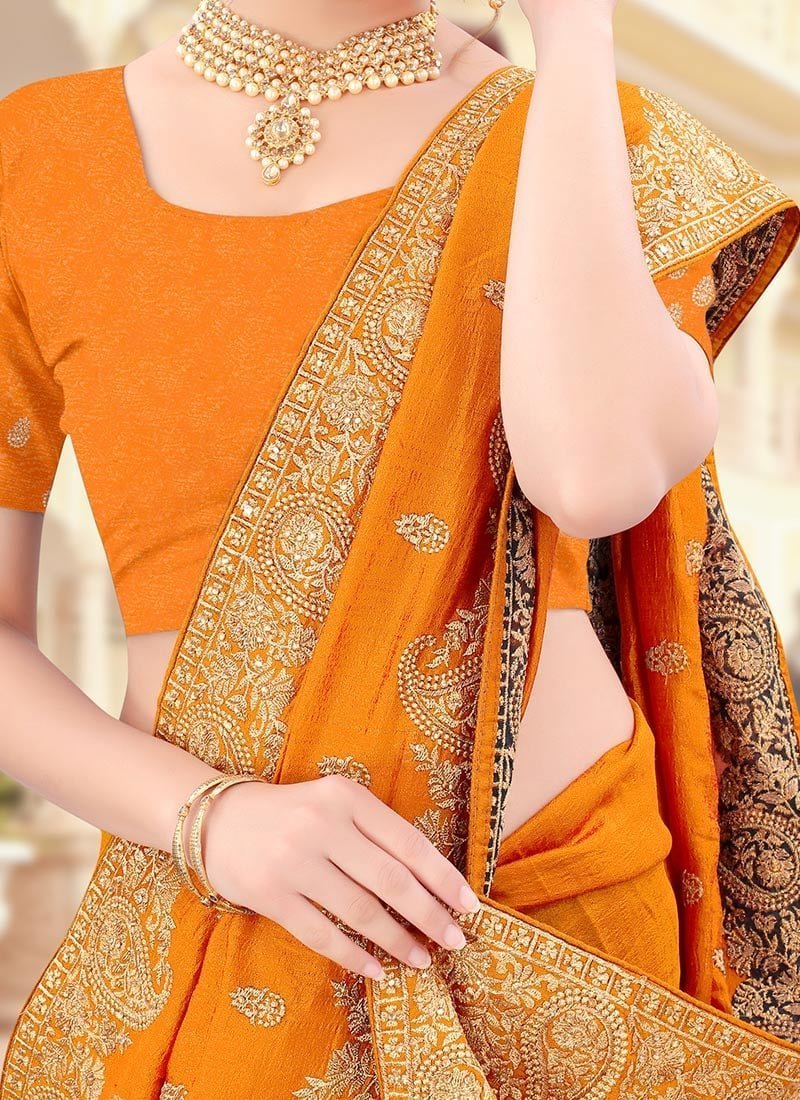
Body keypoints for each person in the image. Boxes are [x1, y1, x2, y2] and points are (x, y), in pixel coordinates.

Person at [1, 1, 799, 1096]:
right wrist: (212, 822)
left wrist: (574, 38)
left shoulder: (595, 133)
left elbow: (593, 475)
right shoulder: (38, 156)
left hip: (556, 928)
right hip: (231, 911)